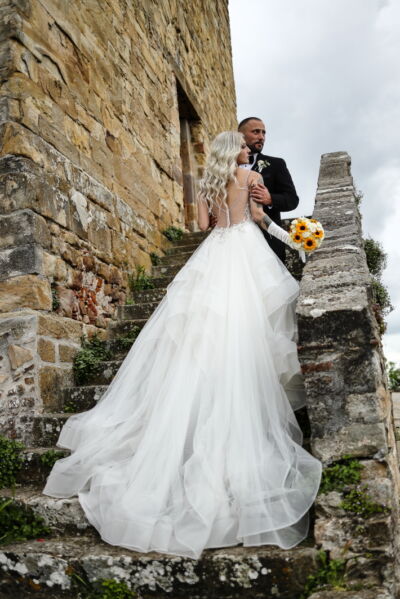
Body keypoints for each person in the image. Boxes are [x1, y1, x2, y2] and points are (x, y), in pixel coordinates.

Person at [43, 131, 321, 559]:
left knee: (204, 336)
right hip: (246, 253)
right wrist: (302, 244)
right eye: (246, 145)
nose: (251, 148)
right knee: (248, 329)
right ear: (238, 151)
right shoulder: (248, 176)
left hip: (215, 254)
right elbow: (263, 222)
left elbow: (212, 225)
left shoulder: (211, 183)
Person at [238, 117, 299, 263]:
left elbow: (292, 200)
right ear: (240, 136)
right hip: (236, 241)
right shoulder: (226, 169)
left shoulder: (276, 164)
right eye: (256, 132)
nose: (261, 137)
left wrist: (270, 199)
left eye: (264, 133)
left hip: (268, 240)